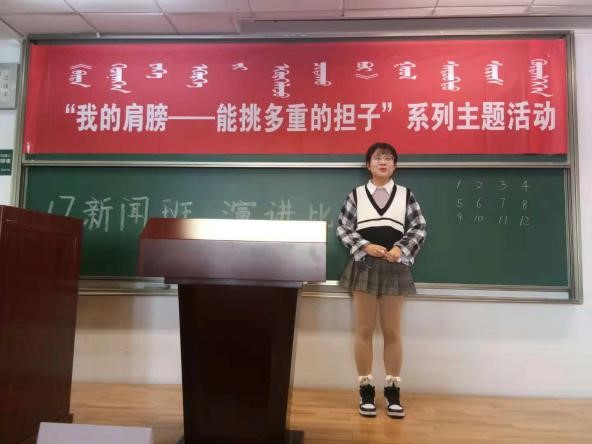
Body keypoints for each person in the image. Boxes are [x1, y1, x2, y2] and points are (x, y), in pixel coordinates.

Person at [337, 142, 427, 419]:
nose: (383, 162)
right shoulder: (356, 195)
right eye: (377, 158)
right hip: (364, 265)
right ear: (368, 165)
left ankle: (392, 392)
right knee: (364, 329)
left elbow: (419, 227)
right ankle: (365, 390)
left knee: (392, 331)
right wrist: (365, 246)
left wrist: (401, 248)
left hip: (394, 266)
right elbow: (343, 227)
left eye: (388, 158)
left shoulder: (405, 195)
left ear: (395, 165)